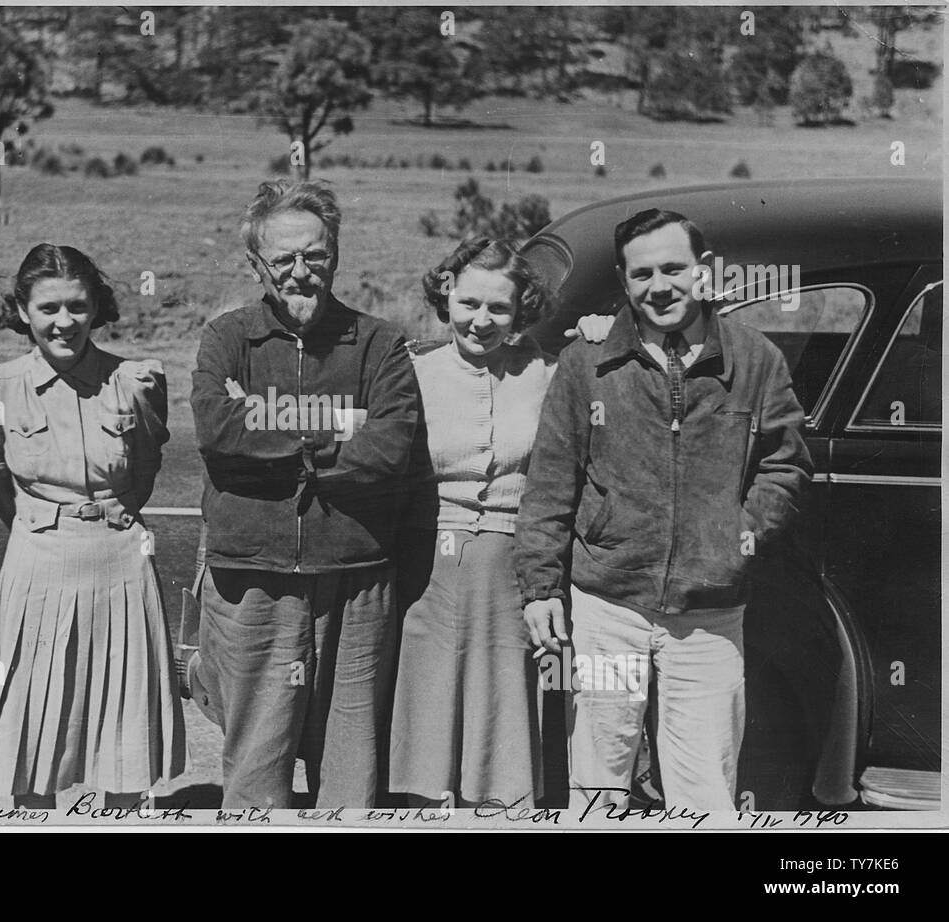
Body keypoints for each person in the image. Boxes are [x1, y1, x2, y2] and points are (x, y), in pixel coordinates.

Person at [515, 209, 813, 811]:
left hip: (710, 617)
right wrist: (541, 586)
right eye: (642, 274)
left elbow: (785, 465)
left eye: (674, 269)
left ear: (702, 272)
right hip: (606, 609)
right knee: (599, 779)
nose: (660, 287)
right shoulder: (587, 362)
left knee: (704, 785)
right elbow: (551, 479)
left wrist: (737, 540)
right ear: (624, 282)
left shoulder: (755, 361)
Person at [190, 180, 418, 808]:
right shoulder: (227, 337)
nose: (301, 272)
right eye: (284, 258)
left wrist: (269, 419)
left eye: (314, 255)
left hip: (355, 572)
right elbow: (217, 430)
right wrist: (344, 423)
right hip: (252, 573)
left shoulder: (380, 342)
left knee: (350, 771)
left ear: (335, 254)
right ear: (257, 265)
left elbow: (390, 448)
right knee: (256, 767)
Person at [389, 237, 611, 808]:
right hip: (428, 574)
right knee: (428, 723)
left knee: (508, 721)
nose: (481, 321)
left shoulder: (547, 371)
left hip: (517, 574)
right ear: (447, 297)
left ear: (521, 311)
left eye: (498, 309)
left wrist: (602, 337)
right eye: (469, 304)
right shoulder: (411, 369)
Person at [0, 244, 185, 809]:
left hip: (120, 563)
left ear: (96, 309)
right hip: (37, 562)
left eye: (77, 306)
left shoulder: (134, 381)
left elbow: (143, 470)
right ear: (22, 311)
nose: (63, 322)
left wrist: (106, 519)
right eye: (47, 308)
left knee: (123, 729)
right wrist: (45, 522)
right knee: (33, 734)